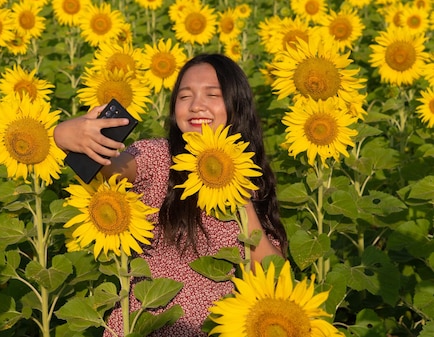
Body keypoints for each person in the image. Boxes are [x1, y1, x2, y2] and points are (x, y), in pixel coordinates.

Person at [54, 53, 287, 336]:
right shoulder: (160, 157)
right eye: (185, 96)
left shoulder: (252, 180)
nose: (196, 105)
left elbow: (272, 279)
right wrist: (65, 135)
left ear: (236, 105)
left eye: (212, 94)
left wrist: (239, 191)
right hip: (140, 328)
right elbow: (113, 168)